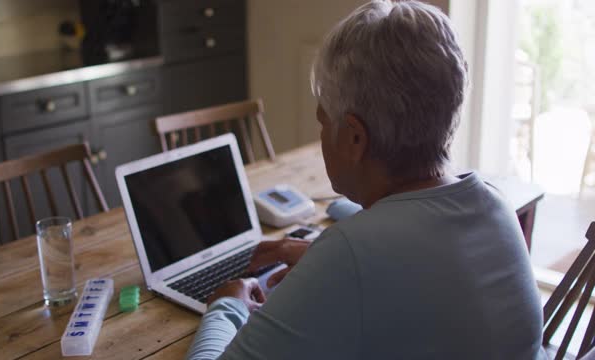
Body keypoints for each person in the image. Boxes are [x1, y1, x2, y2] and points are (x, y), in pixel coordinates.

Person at [185, 1, 546, 359]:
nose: (322, 134)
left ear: (354, 138)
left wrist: (226, 306)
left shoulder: (349, 253)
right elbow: (422, 282)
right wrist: (326, 264)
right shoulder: (495, 206)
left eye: (323, 121)